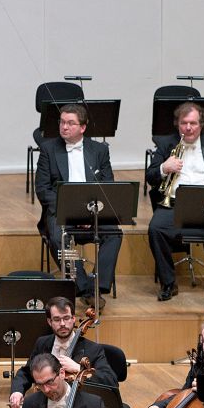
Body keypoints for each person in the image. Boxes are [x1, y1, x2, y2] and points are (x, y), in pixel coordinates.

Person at [144, 102, 204, 303]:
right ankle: (168, 283)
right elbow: (150, 177)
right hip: (175, 205)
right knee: (155, 229)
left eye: (193, 123)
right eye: (184, 123)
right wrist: (163, 168)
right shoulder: (165, 144)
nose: (188, 128)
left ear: (201, 124)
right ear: (177, 124)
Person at [33, 103, 123, 303]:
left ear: (82, 127)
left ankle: (98, 285)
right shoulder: (48, 149)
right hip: (62, 213)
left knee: (114, 233)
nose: (64, 127)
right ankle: (85, 289)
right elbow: (43, 190)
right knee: (57, 236)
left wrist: (89, 214)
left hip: (93, 212)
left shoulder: (99, 150)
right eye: (62, 122)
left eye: (70, 123)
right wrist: (72, 212)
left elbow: (107, 186)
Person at [8, 297, 110, 408]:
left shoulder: (92, 349)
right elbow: (26, 372)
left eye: (66, 318)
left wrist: (78, 369)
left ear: (73, 319)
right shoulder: (42, 343)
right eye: (57, 319)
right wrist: (17, 391)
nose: (62, 324)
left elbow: (109, 380)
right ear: (49, 322)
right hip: (46, 407)